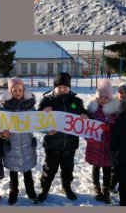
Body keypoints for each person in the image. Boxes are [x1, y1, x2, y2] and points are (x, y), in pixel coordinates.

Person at [37, 72, 88, 202]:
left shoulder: (76, 102)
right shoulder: (47, 101)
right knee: (49, 169)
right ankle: (45, 189)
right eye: (59, 87)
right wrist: (43, 112)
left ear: (69, 87)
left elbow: (83, 114)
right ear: (55, 87)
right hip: (52, 144)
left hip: (70, 145)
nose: (63, 89)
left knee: (68, 169)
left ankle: (66, 187)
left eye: (65, 87)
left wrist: (84, 114)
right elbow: (37, 121)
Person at [0, 77, 38, 205]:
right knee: (13, 173)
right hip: (13, 147)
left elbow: (40, 121)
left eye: (20, 90)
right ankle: (13, 191)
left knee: (28, 173)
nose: (17, 92)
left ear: (24, 90)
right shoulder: (5, 109)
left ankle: (31, 192)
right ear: (10, 92)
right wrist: (4, 134)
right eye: (14, 90)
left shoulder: (30, 107)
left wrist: (46, 115)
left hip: (27, 145)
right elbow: (1, 129)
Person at [85, 79, 120, 204]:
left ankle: (106, 188)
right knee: (96, 167)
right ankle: (96, 187)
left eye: (106, 97)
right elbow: (85, 126)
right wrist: (88, 136)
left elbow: (118, 128)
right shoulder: (92, 109)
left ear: (110, 96)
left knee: (107, 168)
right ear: (97, 96)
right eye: (100, 97)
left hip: (108, 145)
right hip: (95, 144)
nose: (103, 99)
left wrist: (109, 128)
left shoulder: (115, 111)